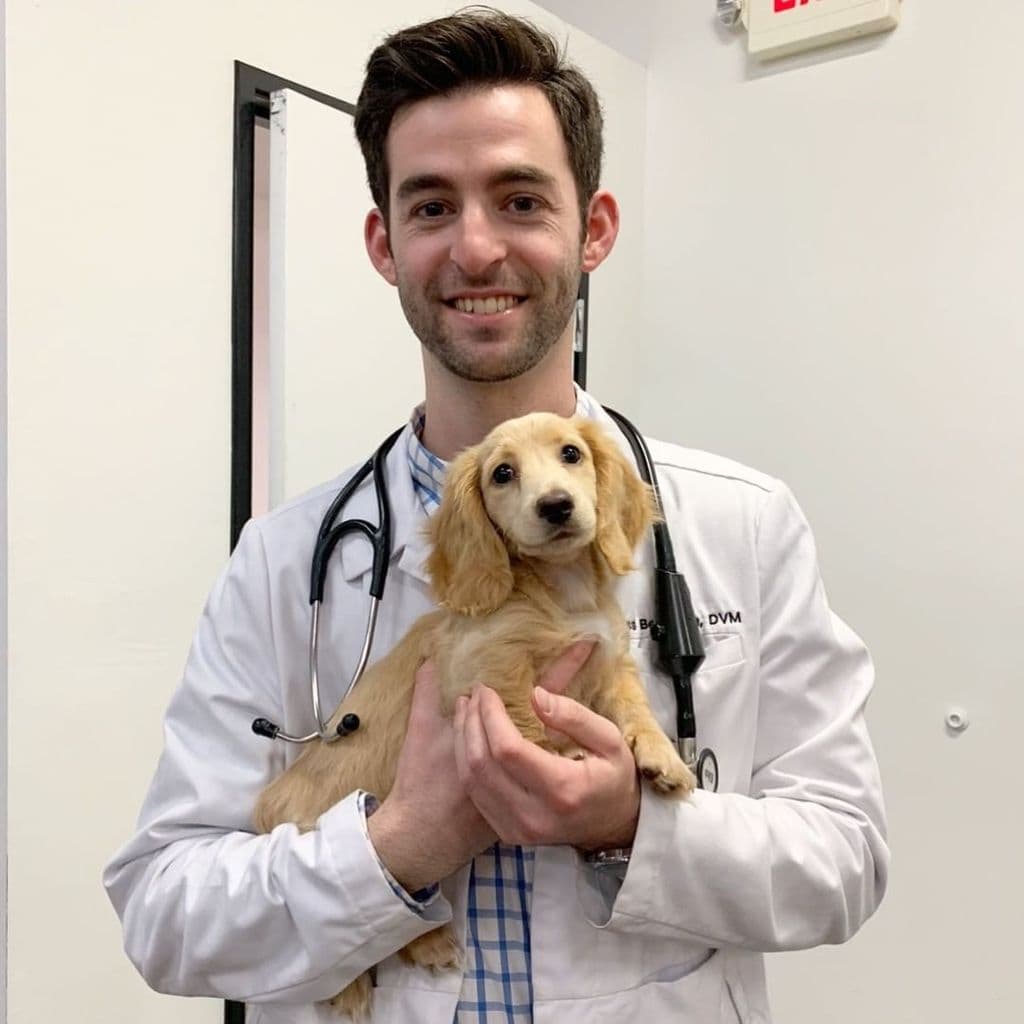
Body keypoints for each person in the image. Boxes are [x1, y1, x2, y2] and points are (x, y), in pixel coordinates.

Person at [104, 8, 889, 1023]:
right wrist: (401, 846)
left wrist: (627, 824)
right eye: (431, 208)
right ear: (385, 245)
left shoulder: (744, 522)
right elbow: (164, 912)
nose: (476, 248)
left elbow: (845, 860)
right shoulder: (281, 558)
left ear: (592, 229)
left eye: (519, 199)